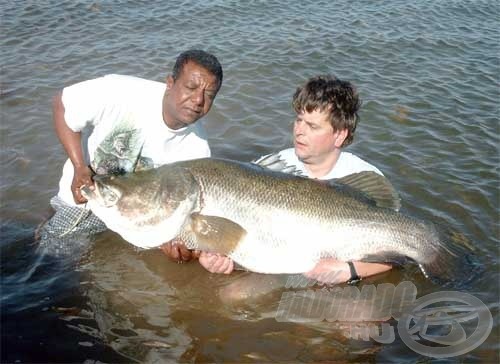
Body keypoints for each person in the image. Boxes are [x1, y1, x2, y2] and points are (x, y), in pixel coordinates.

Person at [162, 75, 392, 285]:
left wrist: (349, 270)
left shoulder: (363, 179)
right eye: (299, 120)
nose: (299, 131)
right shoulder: (267, 168)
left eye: (312, 126)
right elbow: (229, 234)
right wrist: (214, 256)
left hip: (336, 272)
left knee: (357, 325)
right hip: (279, 270)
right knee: (233, 298)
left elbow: (399, 251)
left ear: (339, 135)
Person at [38, 49, 223, 256]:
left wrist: (174, 244)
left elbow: (182, 215)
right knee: (50, 261)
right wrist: (79, 166)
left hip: (134, 223)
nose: (198, 100)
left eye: (209, 95)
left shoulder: (197, 149)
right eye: (191, 87)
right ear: (170, 83)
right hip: (83, 201)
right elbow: (62, 104)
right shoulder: (122, 92)